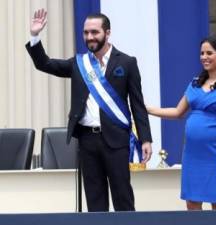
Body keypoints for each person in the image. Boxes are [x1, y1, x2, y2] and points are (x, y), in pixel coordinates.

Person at [25, 9, 152, 211]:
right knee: (94, 199)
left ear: (107, 33)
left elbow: (137, 104)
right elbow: (45, 64)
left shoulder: (127, 62)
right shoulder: (79, 63)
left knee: (123, 197)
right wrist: (35, 35)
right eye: (86, 33)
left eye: (94, 32)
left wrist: (145, 139)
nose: (89, 37)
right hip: (87, 140)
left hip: (116, 140)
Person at [147, 35, 216, 210]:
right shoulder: (194, 84)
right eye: (201, 53)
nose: (204, 57)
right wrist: (147, 109)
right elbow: (177, 112)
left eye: (209, 53)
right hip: (193, 153)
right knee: (192, 202)